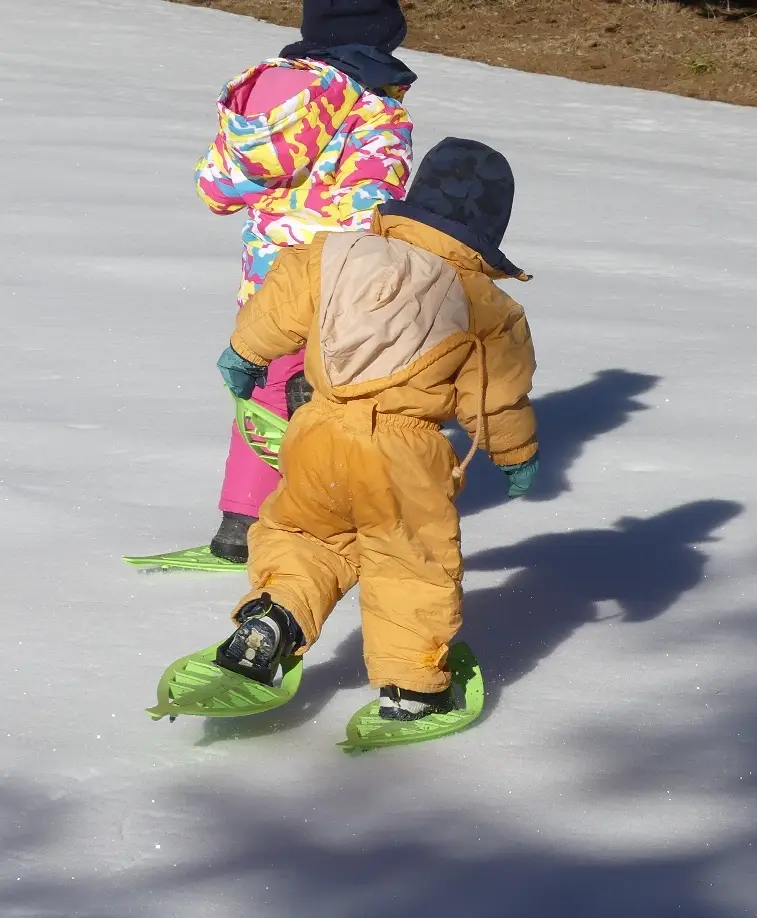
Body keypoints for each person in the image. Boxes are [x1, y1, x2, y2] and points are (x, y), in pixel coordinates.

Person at [210, 138, 541, 720]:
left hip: (315, 432)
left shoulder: (337, 253)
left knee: (306, 536)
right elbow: (495, 394)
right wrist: (514, 454)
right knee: (409, 562)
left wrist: (244, 352)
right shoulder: (487, 304)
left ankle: (275, 615)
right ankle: (413, 688)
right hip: (402, 453)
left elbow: (278, 303)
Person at [195, 0, 417, 563]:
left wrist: (279, 208)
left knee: (263, 386)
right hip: (335, 279)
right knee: (334, 395)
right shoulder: (372, 108)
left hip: (266, 280)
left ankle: (240, 523)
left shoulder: (266, 93)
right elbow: (376, 205)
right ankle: (315, 524)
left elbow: (217, 189)